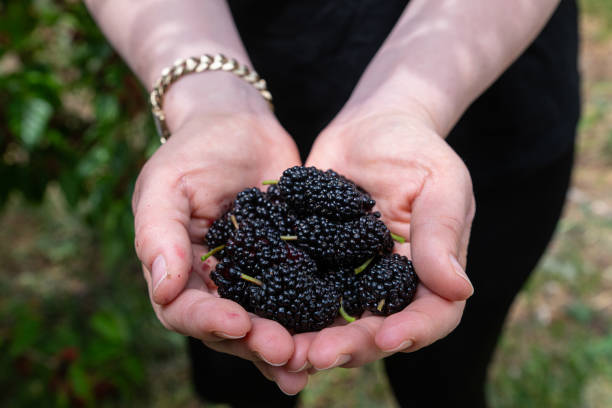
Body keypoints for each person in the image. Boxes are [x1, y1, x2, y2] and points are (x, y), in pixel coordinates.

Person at [85, 0, 579, 406]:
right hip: (250, 73)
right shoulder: (250, 231)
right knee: (245, 367)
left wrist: (409, 106)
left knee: (446, 374)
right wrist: (210, 103)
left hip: (481, 92)